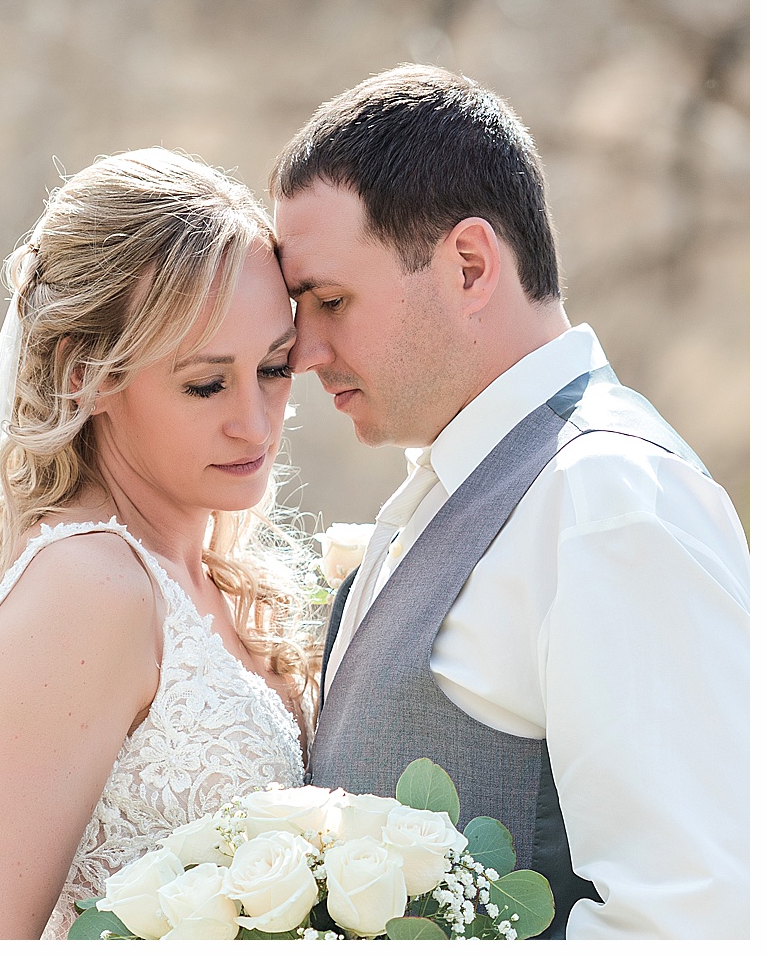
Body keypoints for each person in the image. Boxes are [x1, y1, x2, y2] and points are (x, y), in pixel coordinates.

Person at [273, 65, 749, 939]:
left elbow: (698, 923)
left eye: (332, 300)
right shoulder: (466, 488)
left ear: (467, 264)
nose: (303, 350)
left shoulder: (608, 502)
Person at [0, 148, 318, 939]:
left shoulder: (209, 577)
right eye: (206, 383)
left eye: (277, 368)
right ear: (90, 375)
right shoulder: (87, 589)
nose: (255, 421)